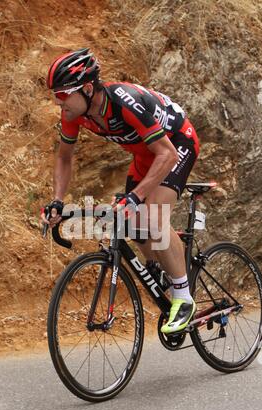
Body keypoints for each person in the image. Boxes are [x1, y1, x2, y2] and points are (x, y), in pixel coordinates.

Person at [41, 47, 200, 334]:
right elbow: (64, 157)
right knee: (136, 227)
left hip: (175, 145)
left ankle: (184, 297)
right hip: (145, 156)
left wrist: (137, 197)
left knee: (152, 219)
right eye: (55, 95)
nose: (58, 103)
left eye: (63, 95)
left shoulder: (125, 102)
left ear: (88, 89)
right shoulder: (74, 113)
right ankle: (168, 260)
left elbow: (167, 155)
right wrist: (57, 201)